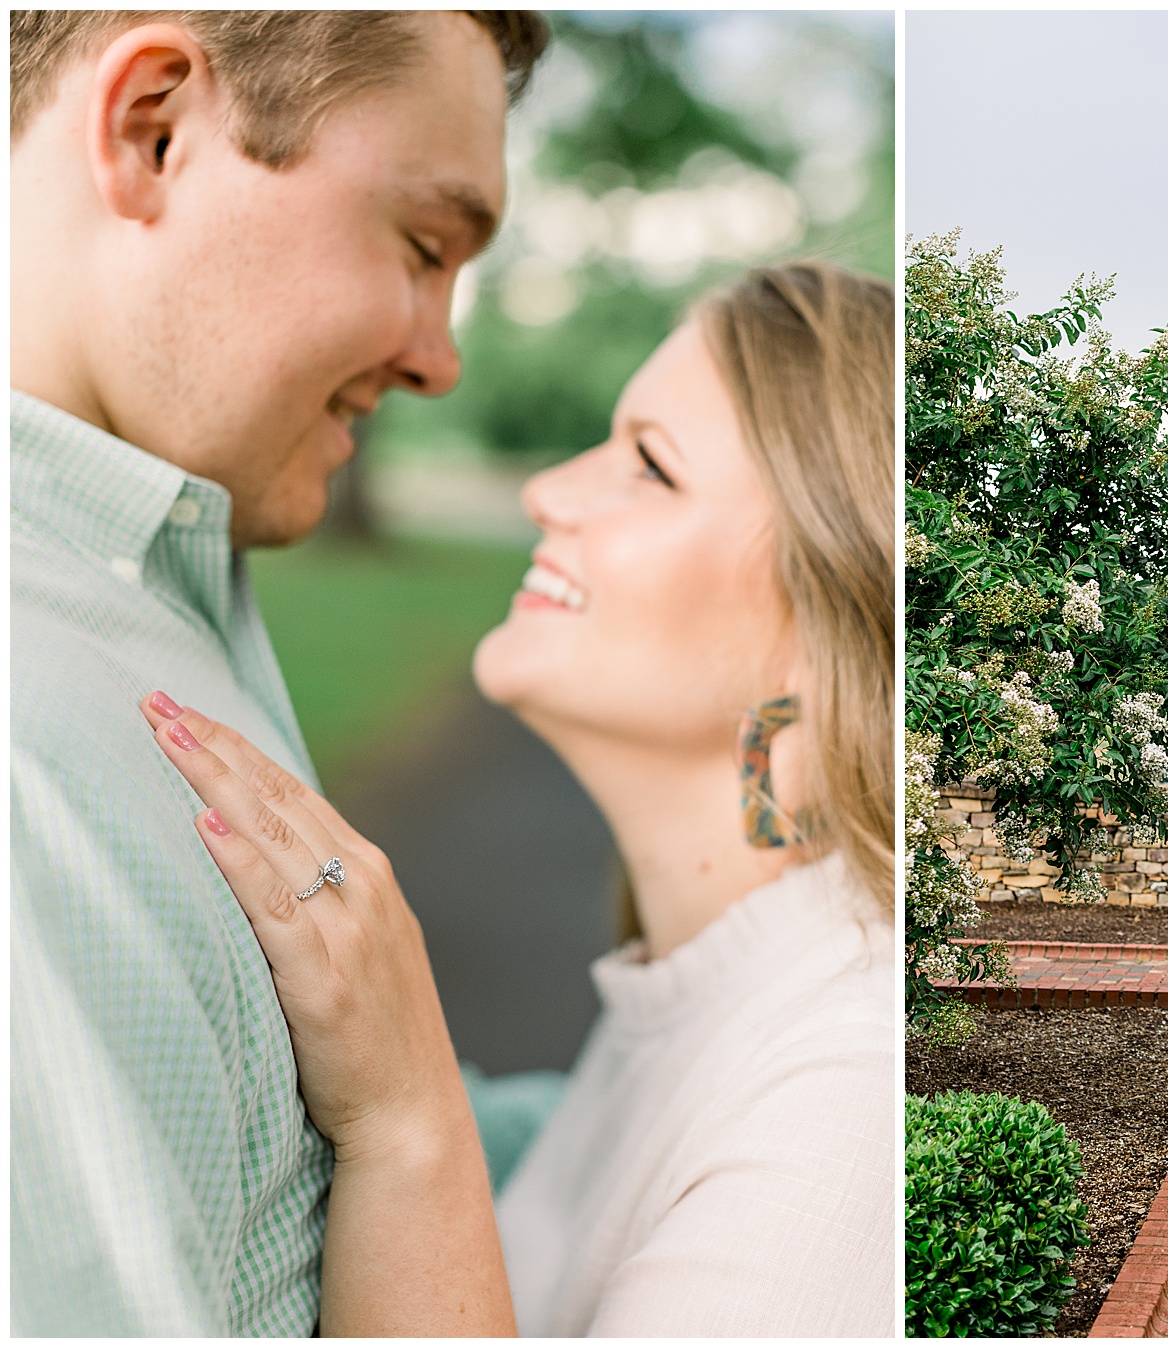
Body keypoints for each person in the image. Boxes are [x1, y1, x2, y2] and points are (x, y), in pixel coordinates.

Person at [140, 261, 897, 1336]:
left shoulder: (840, 1098)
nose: (550, 491)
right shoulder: (710, 988)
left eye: (648, 465)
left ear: (825, 642)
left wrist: (408, 1122)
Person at [10, 11, 546, 1334]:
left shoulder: (171, 572)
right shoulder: (30, 743)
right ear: (157, 131)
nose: (441, 355)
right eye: (426, 248)